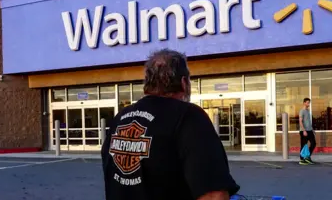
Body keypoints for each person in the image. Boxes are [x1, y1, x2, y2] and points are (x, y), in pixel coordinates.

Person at [101, 49, 240, 200]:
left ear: (147, 82)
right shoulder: (188, 116)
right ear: (184, 83)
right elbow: (214, 195)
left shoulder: (121, 118)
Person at [299, 98, 316, 165]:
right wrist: (304, 130)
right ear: (304, 103)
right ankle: (302, 159)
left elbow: (308, 122)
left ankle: (307, 157)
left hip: (310, 130)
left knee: (313, 143)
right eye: (307, 102)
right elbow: (300, 121)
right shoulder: (302, 111)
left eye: (309, 102)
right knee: (303, 145)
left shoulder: (308, 111)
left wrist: (312, 129)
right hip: (304, 131)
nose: (308, 104)